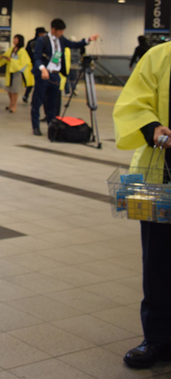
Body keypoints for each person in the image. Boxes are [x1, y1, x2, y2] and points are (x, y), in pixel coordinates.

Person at [113, 41, 171, 368]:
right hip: (157, 174)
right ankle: (157, 337)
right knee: (158, 261)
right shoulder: (160, 56)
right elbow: (132, 102)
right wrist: (152, 128)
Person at [30, 18, 98, 136]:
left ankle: (52, 125)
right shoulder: (43, 40)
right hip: (44, 74)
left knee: (53, 103)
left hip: (55, 75)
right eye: (59, 31)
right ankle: (35, 126)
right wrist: (42, 69)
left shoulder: (61, 40)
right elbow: (36, 57)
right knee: (38, 101)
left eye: (62, 31)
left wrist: (88, 40)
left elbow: (74, 45)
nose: (61, 34)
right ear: (53, 29)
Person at [0, 34, 33, 113]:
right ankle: (11, 103)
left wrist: (12, 60)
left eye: (16, 39)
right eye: (14, 39)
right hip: (10, 72)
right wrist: (3, 57)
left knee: (15, 90)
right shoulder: (11, 49)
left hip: (17, 73)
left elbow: (23, 62)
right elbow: (6, 56)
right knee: (9, 89)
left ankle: (14, 105)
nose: (14, 40)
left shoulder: (22, 51)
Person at [22, 27, 47, 103]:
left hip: (32, 65)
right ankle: (34, 99)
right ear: (40, 33)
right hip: (37, 66)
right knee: (36, 83)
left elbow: (27, 54)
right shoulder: (40, 42)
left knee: (32, 83)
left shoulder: (31, 42)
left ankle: (27, 96)